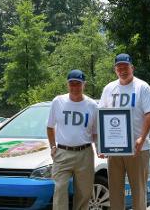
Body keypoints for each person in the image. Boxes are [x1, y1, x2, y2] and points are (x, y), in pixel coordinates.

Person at [99, 53, 150, 210]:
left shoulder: (142, 87)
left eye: (126, 67)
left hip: (137, 150)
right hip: (114, 150)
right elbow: (102, 116)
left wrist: (142, 138)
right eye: (119, 67)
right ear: (115, 70)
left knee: (138, 191)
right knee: (115, 193)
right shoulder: (109, 88)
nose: (123, 70)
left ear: (132, 68)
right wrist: (101, 144)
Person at [46, 69, 98, 210]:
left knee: (84, 193)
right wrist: (52, 147)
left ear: (84, 85)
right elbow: (50, 127)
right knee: (60, 189)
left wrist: (101, 148)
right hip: (63, 152)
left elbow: (95, 133)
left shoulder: (92, 105)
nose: (75, 87)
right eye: (72, 84)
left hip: (85, 154)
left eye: (78, 84)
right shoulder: (58, 101)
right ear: (67, 85)